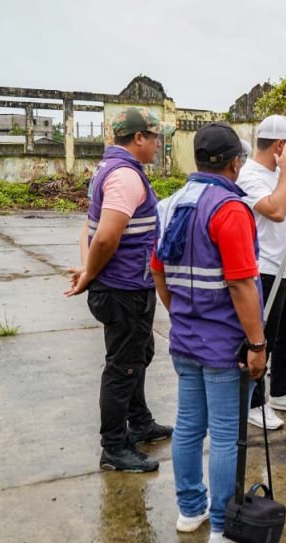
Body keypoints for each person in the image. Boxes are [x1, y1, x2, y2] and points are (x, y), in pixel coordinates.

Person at [150, 122, 266, 543]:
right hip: (225, 347)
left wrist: (182, 314)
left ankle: (189, 511)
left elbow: (158, 273)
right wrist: (257, 344)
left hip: (185, 339)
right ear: (235, 163)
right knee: (224, 435)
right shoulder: (230, 210)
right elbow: (240, 284)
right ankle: (221, 528)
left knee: (187, 427)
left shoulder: (169, 205)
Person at [65, 107, 172, 473]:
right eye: (155, 137)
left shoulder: (110, 169)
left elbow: (90, 227)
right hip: (124, 290)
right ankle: (114, 447)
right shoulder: (125, 176)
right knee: (122, 367)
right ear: (138, 138)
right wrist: (89, 275)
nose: (158, 144)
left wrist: (88, 270)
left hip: (125, 286)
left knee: (140, 354)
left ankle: (139, 422)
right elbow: (106, 237)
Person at [237, 114, 286, 430]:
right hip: (265, 269)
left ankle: (281, 391)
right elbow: (278, 212)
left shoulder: (278, 174)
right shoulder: (249, 175)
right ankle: (254, 402)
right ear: (280, 146)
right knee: (262, 339)